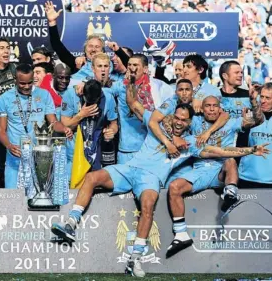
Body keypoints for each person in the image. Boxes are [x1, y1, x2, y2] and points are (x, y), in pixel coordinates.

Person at [52, 98, 268, 278]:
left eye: (185, 120)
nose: (179, 122)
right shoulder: (157, 128)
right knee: (91, 178)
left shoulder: (191, 143)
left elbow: (220, 152)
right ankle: (71, 224)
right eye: (177, 118)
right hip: (129, 169)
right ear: (171, 116)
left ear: (190, 123)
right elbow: (135, 104)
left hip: (151, 179)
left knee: (147, 207)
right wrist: (132, 79)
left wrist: (250, 149)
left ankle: (135, 259)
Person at [166, 92, 264, 259]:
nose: (211, 109)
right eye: (207, 106)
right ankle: (181, 234)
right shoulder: (195, 121)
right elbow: (174, 120)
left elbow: (258, 120)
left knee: (231, 160)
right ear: (202, 109)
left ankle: (230, 193)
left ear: (220, 109)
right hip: (199, 170)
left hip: (221, 171)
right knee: (174, 187)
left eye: (215, 106)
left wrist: (254, 102)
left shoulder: (231, 122)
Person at [0, 64, 73, 189]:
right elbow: (1, 130)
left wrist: (64, 129)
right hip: (15, 160)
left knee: (38, 200)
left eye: (29, 83)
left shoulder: (44, 95)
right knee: (13, 203)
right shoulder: (4, 99)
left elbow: (53, 122)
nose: (26, 87)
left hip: (39, 159)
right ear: (15, 80)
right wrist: (9, 145)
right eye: (22, 83)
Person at [106, 54, 173, 163]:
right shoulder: (120, 86)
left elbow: (173, 105)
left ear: (145, 69)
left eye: (135, 65)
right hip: (128, 149)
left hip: (152, 147)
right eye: (129, 65)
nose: (131, 68)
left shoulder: (159, 86)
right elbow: (101, 90)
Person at [61, 54, 118, 171]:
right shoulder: (72, 93)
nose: (103, 69)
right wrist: (81, 115)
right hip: (74, 155)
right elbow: (65, 125)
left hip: (97, 153)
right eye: (99, 66)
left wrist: (111, 131)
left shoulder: (108, 96)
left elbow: (114, 124)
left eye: (106, 66)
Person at [239, 83, 272, 188]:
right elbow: (240, 145)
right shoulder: (249, 115)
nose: (263, 101)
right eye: (262, 96)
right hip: (246, 176)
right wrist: (243, 128)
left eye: (268, 98)